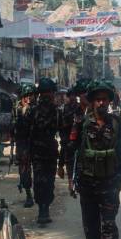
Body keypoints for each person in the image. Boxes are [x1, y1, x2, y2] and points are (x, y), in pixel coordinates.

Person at [72, 80, 121, 239]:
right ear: (92, 102)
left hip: (109, 181)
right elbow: (75, 151)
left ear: (109, 102)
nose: (101, 103)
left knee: (109, 223)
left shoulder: (116, 123)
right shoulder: (83, 123)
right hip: (87, 181)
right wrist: (72, 178)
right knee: (91, 221)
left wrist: (120, 178)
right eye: (98, 100)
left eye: (104, 99)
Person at [27, 77, 59, 225]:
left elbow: (62, 130)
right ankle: (42, 210)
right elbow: (27, 133)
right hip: (38, 152)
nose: (49, 95)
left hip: (49, 152)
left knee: (48, 181)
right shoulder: (33, 111)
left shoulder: (56, 111)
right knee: (41, 181)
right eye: (47, 93)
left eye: (50, 92)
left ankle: (45, 208)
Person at [11, 83, 36, 207]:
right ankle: (28, 195)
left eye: (32, 95)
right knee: (24, 171)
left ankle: (38, 193)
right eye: (27, 96)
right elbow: (14, 128)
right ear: (22, 97)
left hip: (36, 144)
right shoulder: (17, 109)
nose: (30, 98)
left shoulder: (37, 108)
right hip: (23, 144)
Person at [57, 87, 79, 196]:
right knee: (69, 164)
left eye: (74, 95)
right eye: (71, 95)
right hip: (67, 139)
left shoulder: (80, 108)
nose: (72, 97)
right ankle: (71, 184)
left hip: (77, 140)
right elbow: (63, 124)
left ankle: (76, 183)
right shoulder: (64, 109)